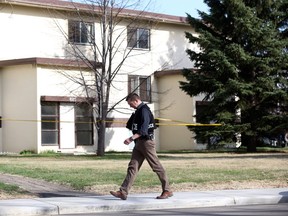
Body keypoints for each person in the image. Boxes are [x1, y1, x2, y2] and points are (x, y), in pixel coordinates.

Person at [110, 93, 173, 200]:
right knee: (132, 167)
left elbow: (143, 130)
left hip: (146, 143)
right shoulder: (138, 111)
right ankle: (123, 192)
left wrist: (131, 138)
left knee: (156, 166)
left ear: (135, 100)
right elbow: (130, 125)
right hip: (139, 143)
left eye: (130, 103)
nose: (130, 106)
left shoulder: (144, 110)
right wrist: (133, 116)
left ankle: (167, 190)